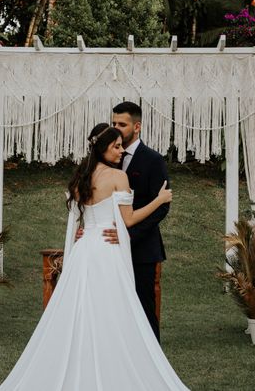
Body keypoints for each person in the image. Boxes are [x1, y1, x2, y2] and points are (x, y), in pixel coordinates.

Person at [0, 124, 189, 391]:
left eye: (122, 146)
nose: (122, 151)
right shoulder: (118, 178)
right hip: (106, 250)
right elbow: (129, 220)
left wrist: (79, 235)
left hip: (85, 250)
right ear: (102, 148)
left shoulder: (80, 179)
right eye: (116, 146)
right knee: (112, 311)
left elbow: (78, 223)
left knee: (82, 311)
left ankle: (82, 365)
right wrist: (160, 199)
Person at [111, 100, 170, 341]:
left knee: (145, 308)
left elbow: (161, 208)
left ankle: (153, 365)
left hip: (142, 248)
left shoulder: (153, 160)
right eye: (113, 123)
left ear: (137, 127)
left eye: (122, 124)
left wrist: (129, 236)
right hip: (110, 246)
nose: (116, 128)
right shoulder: (107, 158)